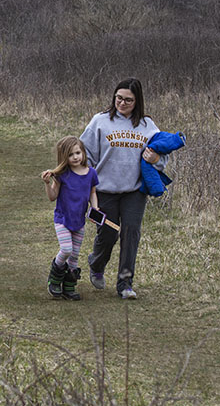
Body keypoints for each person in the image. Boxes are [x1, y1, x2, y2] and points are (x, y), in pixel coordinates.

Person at [78, 78, 165, 300]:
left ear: (137, 102)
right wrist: (85, 185)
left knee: (131, 233)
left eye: (128, 100)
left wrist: (155, 157)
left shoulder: (147, 126)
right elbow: (84, 153)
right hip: (105, 189)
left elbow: (160, 157)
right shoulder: (100, 121)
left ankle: (125, 283)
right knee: (108, 233)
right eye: (119, 98)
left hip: (134, 191)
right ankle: (96, 263)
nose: (122, 103)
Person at [41, 136, 99, 300]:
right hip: (63, 219)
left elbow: (92, 193)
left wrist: (95, 208)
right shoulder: (62, 175)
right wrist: (47, 184)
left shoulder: (91, 173)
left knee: (74, 256)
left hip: (79, 222)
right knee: (66, 249)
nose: (75, 157)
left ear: (83, 152)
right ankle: (55, 277)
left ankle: (69, 286)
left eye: (78, 153)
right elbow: (52, 197)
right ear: (64, 157)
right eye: (71, 155)